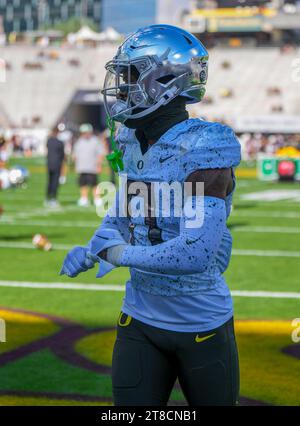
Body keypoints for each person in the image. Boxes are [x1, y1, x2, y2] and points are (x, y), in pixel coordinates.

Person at [60, 24, 241, 406]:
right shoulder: (131, 137)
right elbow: (126, 210)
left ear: (164, 81)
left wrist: (118, 255)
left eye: (130, 75)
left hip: (200, 322)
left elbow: (195, 253)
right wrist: (93, 248)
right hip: (139, 317)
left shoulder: (204, 145)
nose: (121, 87)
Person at [73, 124, 105, 207]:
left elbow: (100, 154)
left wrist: (99, 165)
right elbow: (75, 155)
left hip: (92, 167)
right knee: (83, 184)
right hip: (81, 167)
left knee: (94, 184)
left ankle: (97, 199)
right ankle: (84, 199)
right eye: (83, 132)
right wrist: (75, 165)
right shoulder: (79, 141)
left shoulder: (95, 141)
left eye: (87, 132)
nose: (85, 134)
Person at [45, 127, 65, 208]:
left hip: (49, 163)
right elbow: (62, 155)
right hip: (57, 164)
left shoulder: (49, 141)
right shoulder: (60, 142)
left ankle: (47, 197)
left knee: (49, 181)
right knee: (55, 182)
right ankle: (53, 198)